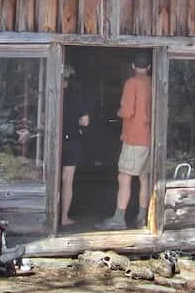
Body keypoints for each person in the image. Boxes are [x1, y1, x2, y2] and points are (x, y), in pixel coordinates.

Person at [101, 52, 153, 230]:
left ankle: (119, 218)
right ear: (149, 67)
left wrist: (118, 112)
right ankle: (142, 217)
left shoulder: (132, 83)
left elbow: (127, 111)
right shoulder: (153, 82)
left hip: (134, 137)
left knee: (124, 177)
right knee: (144, 177)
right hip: (149, 137)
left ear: (132, 66)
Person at [60, 64, 90, 227]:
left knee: (52, 178)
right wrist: (73, 121)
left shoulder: (49, 92)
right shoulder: (76, 95)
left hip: (53, 141)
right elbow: (85, 121)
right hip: (71, 140)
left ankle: (50, 216)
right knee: (67, 180)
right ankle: (64, 217)